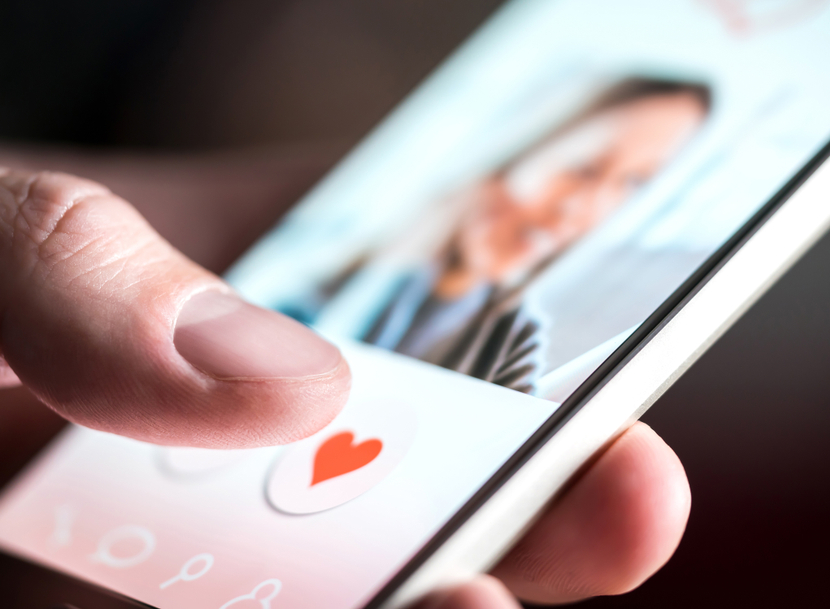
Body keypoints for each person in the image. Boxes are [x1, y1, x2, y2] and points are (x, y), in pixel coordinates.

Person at [0, 154, 691, 609]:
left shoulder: (516, 345)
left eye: (626, 189)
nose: (576, 210)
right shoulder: (322, 263)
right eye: (585, 165)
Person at [291, 80, 709, 394]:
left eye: (633, 183)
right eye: (584, 167)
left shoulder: (513, 340)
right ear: (529, 144)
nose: (585, 210)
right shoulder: (331, 248)